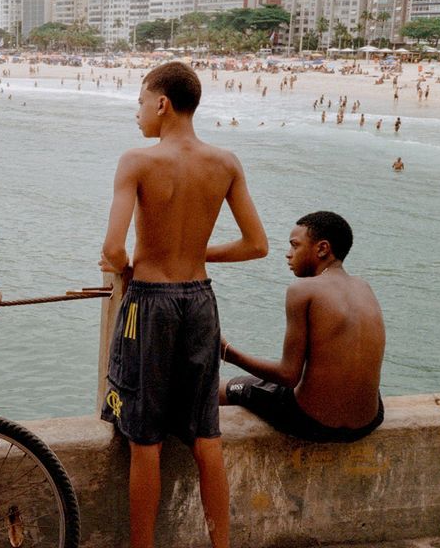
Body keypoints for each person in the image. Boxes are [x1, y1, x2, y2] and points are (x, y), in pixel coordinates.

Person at [99, 61, 269, 548]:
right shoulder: (226, 162)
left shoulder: (137, 161)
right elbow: (257, 244)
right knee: (206, 435)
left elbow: (113, 249)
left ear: (162, 103)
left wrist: (129, 269)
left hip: (149, 303)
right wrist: (197, 252)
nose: (136, 113)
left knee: (144, 437)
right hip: (200, 300)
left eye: (139, 101)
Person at [220, 212, 385, 443]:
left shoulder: (302, 290)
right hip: (369, 421)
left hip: (312, 423)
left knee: (230, 387)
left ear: (322, 249)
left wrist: (229, 353)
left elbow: (288, 376)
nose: (288, 254)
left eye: (295, 246)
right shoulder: (364, 287)